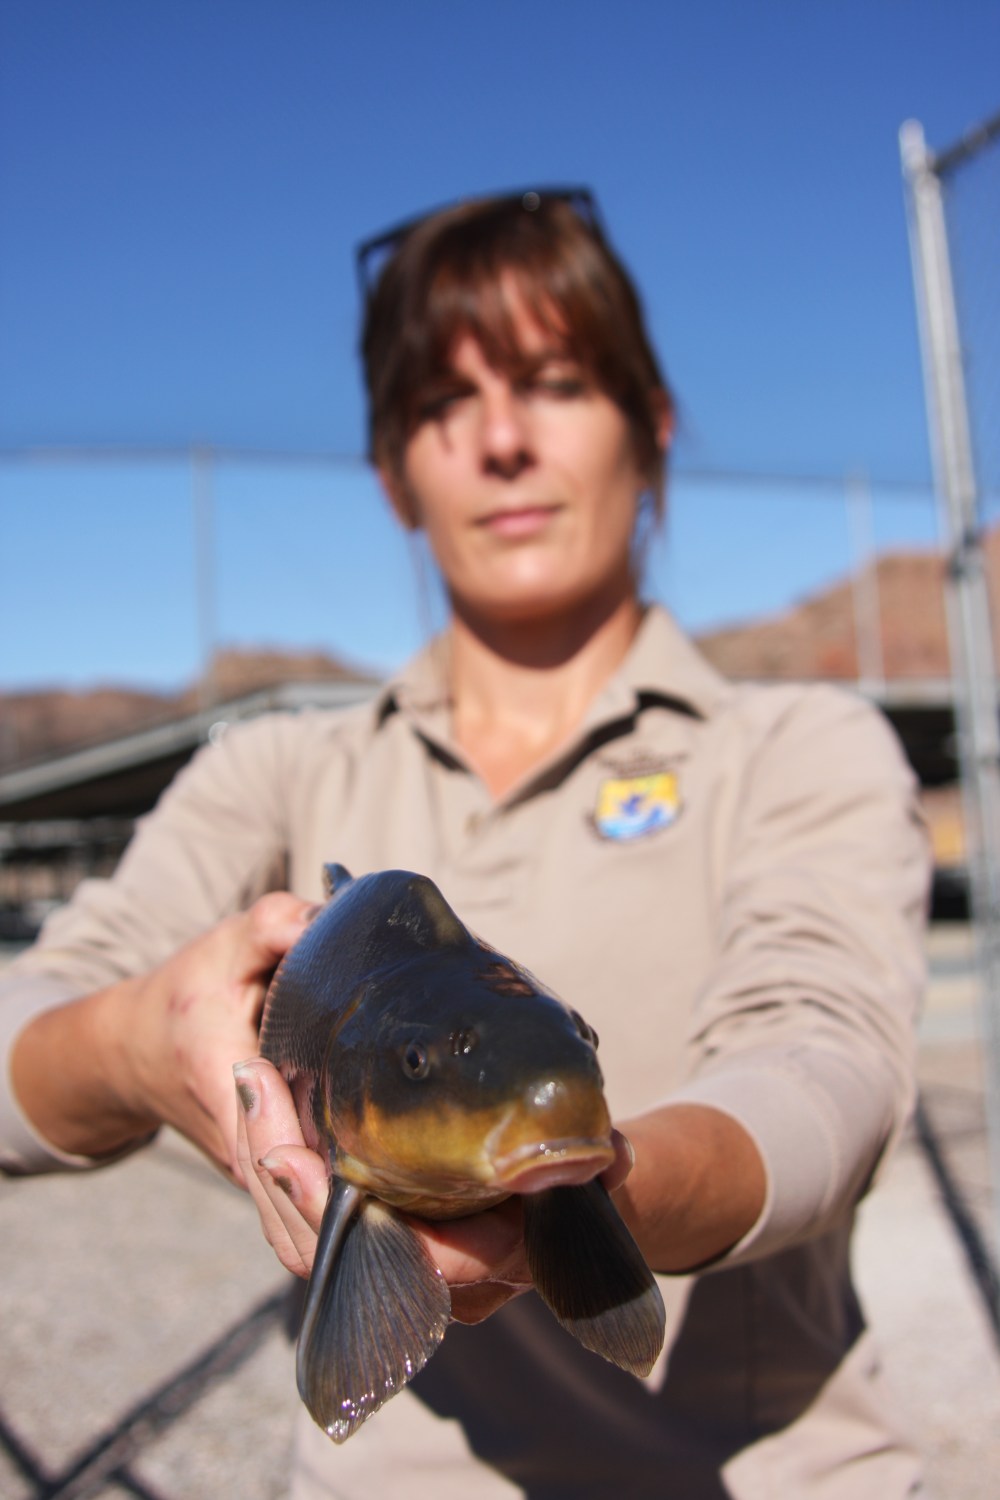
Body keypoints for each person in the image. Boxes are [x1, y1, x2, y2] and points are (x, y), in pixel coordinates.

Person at [0, 190, 930, 1498]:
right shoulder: (277, 770)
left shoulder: (800, 747)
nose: (500, 441)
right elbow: (16, 1034)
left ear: (649, 426)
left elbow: (832, 1059)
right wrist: (134, 1045)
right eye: (443, 403)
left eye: (554, 382)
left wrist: (602, 1192)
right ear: (392, 477)